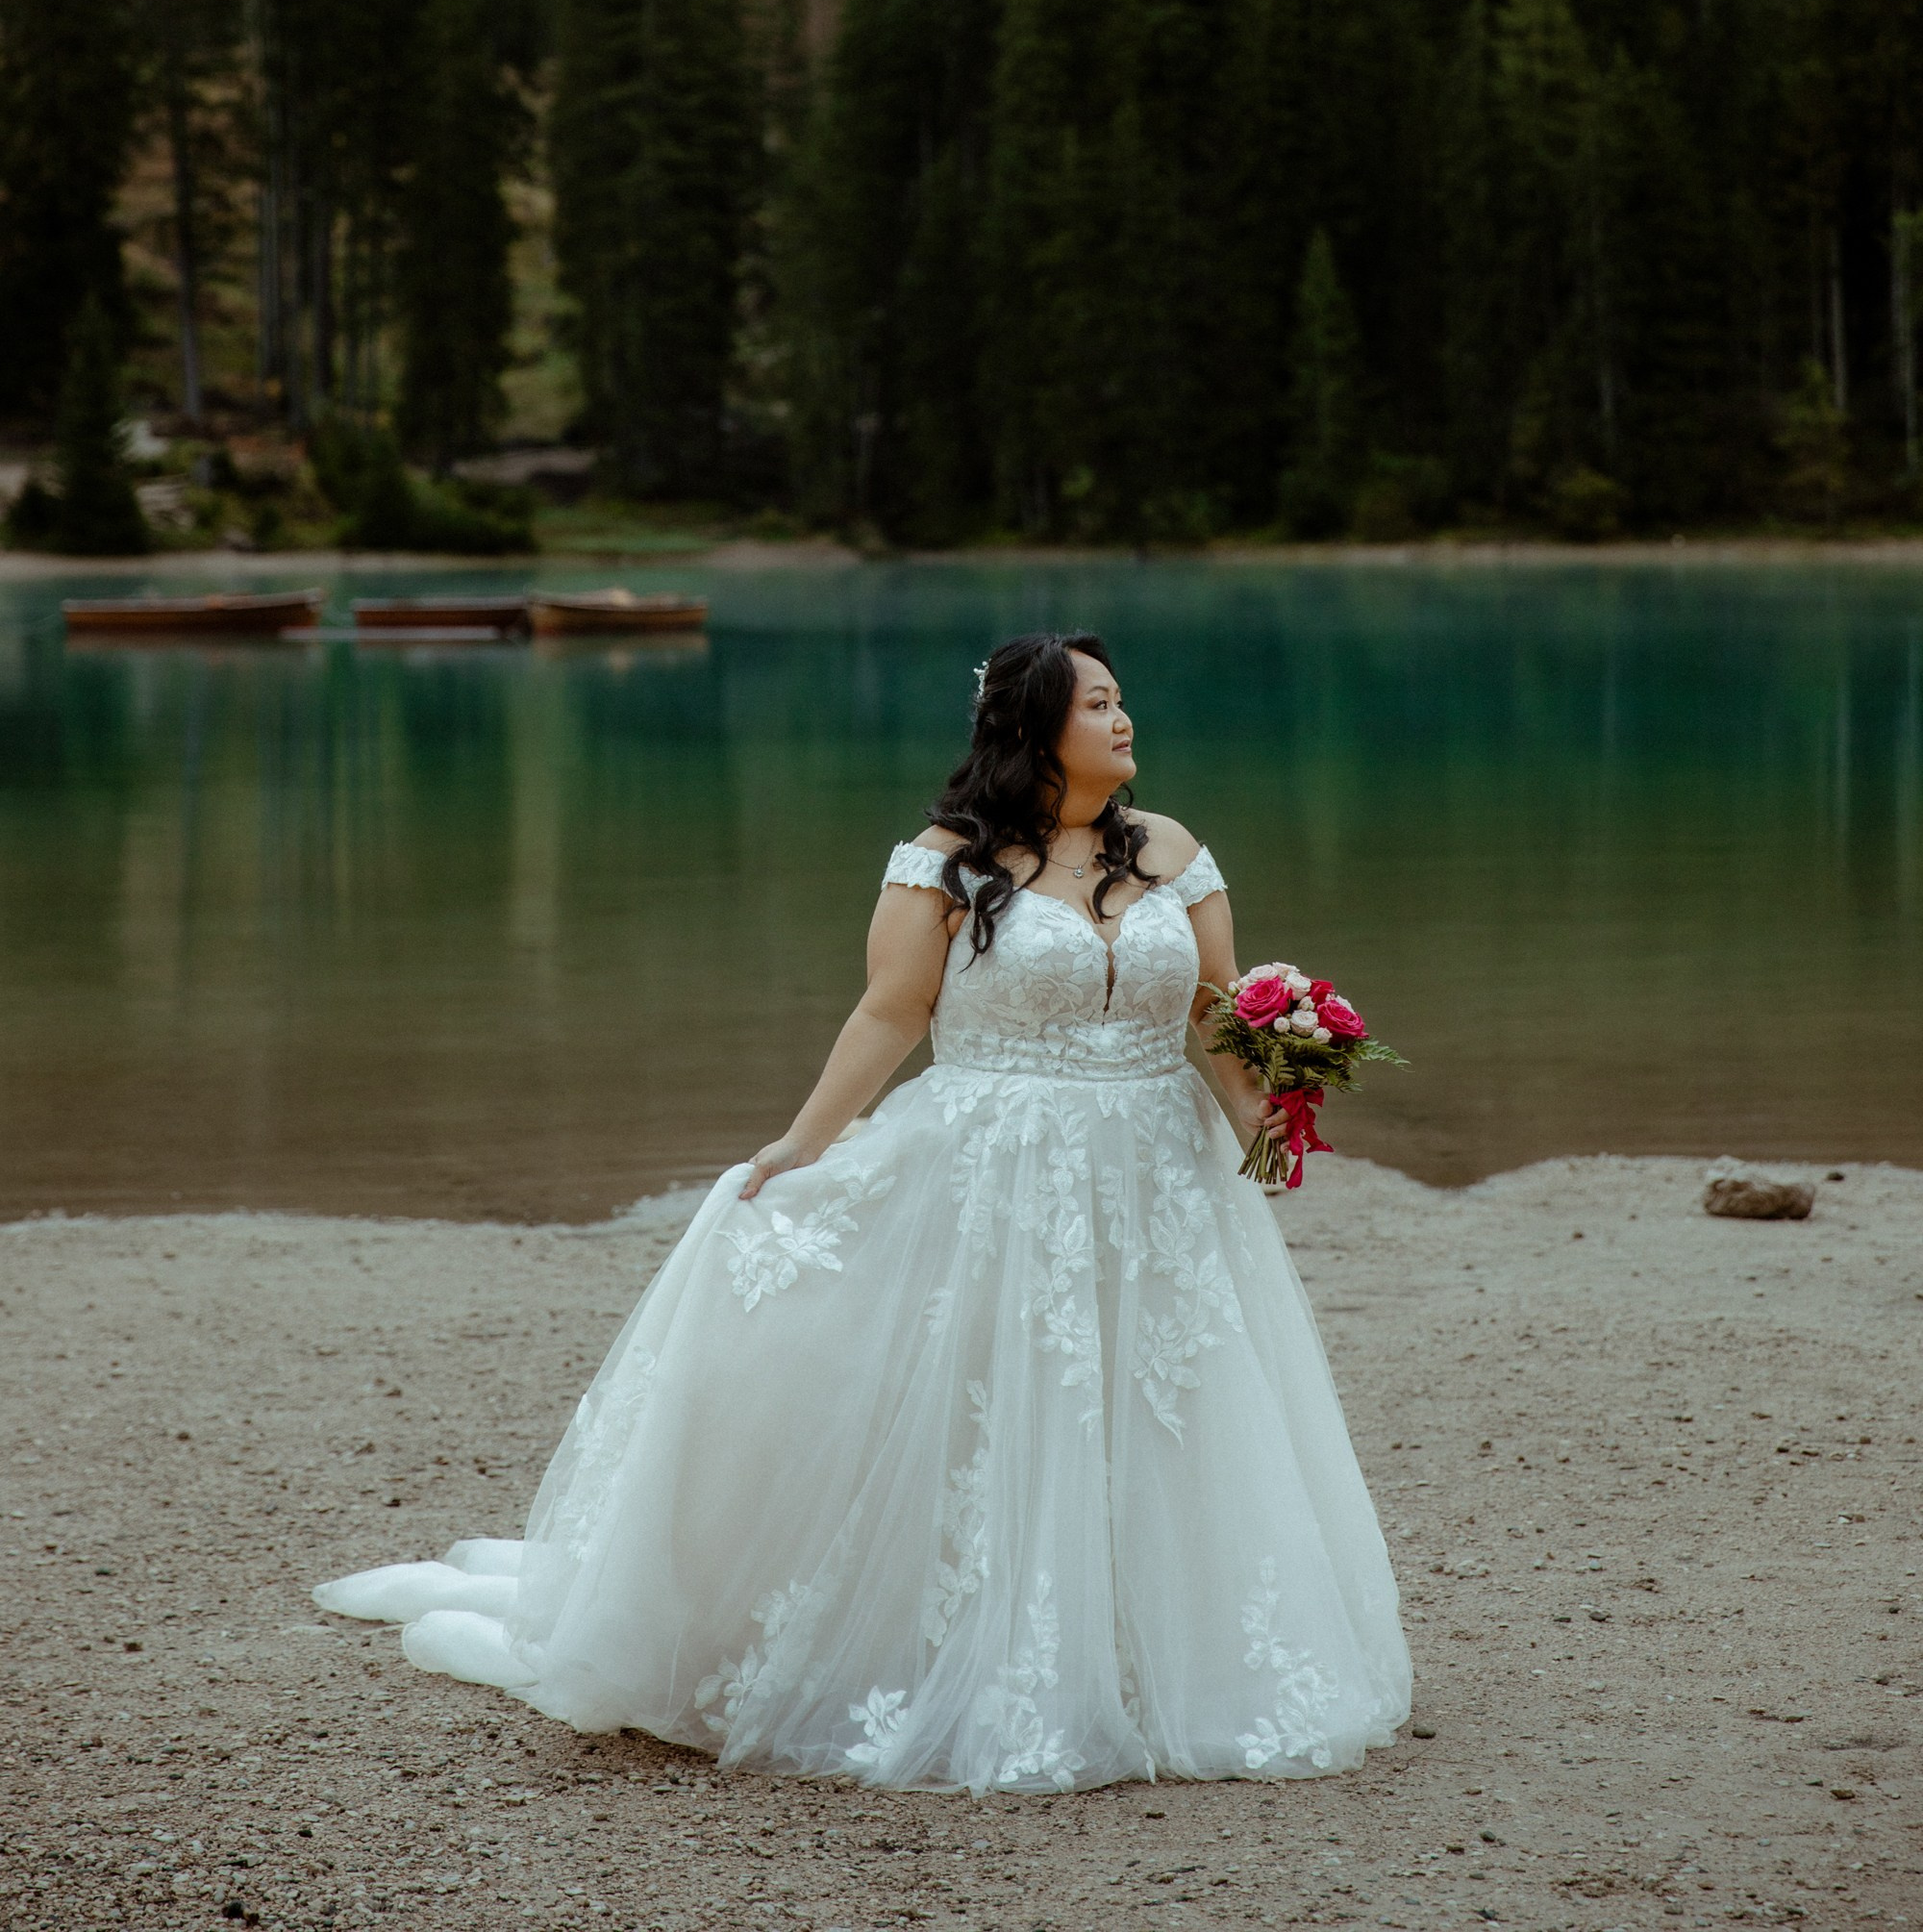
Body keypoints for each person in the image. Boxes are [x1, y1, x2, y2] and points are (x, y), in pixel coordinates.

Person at [313, 631, 1411, 1791]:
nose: (1123, 720)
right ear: (1034, 730)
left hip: (1157, 1181)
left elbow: (1207, 1015)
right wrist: (802, 1144)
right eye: (1098, 704)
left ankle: (1149, 1654)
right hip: (994, 1172)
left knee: (1161, 1405)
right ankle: (968, 1650)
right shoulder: (941, 864)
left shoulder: (1175, 854)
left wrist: (1265, 1127)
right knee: (999, 1403)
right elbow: (890, 1015)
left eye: (1122, 700)